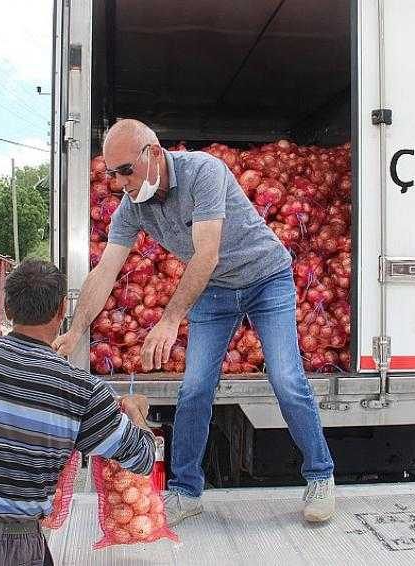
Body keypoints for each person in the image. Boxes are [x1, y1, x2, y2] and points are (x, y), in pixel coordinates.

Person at [53, 119, 336, 526]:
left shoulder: (203, 170)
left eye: (125, 171)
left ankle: (321, 476)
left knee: (287, 379)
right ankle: (186, 492)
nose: (119, 183)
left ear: (152, 152)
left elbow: (206, 255)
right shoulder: (132, 207)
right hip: (215, 290)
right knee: (195, 388)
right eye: (112, 175)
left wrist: (169, 321)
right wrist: (76, 329)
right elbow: (105, 270)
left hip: (266, 278)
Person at [0, 259, 155, 566]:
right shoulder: (82, 391)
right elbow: (142, 460)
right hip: (16, 549)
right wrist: (135, 414)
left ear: (7, 307)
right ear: (63, 311)